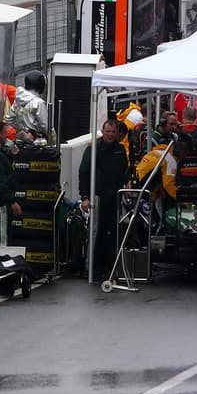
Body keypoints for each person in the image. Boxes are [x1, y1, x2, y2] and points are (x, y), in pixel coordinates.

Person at [78, 120, 132, 281]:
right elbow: (84, 174)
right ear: (103, 131)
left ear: (117, 133)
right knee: (96, 234)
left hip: (114, 196)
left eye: (112, 132)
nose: (110, 135)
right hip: (97, 197)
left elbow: (124, 171)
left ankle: (110, 268)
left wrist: (128, 182)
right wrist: (85, 197)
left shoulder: (120, 150)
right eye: (107, 131)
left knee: (112, 234)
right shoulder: (92, 149)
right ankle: (92, 268)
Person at [5, 70, 49, 144]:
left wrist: (21, 131)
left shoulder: (17, 101)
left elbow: (8, 118)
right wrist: (55, 141)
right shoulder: (39, 103)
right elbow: (46, 127)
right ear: (41, 86)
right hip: (36, 143)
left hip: (21, 142)